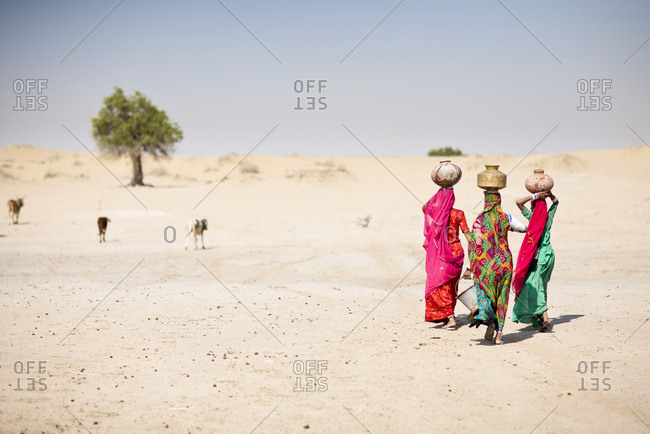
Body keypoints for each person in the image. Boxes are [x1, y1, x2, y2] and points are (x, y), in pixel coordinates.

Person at [467, 190, 526, 344]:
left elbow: (475, 246)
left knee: (487, 294)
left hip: (486, 265)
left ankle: (489, 320)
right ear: (499, 200)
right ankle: (499, 335)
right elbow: (523, 228)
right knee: (502, 297)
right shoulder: (505, 217)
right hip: (504, 263)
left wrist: (469, 267)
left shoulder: (479, 220)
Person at [422, 187, 470, 330]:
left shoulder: (437, 214)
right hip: (456, 254)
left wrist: (439, 193)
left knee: (441, 286)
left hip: (442, 256)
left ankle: (450, 318)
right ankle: (448, 315)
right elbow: (467, 234)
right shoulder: (459, 214)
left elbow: (424, 207)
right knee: (450, 286)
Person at [512, 191, 559, 332]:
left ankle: (545, 318)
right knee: (541, 285)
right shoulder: (548, 217)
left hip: (539, 257)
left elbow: (519, 202)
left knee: (534, 285)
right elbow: (556, 203)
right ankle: (538, 318)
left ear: (533, 208)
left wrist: (536, 195)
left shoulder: (533, 219)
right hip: (549, 255)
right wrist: (550, 195)